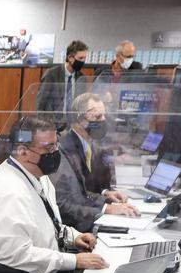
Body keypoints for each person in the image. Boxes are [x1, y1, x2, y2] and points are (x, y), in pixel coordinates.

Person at [0, 116, 107, 273]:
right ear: (23, 151)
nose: (56, 152)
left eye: (56, 144)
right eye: (49, 147)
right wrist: (74, 260)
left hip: (37, 269)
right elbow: (13, 255)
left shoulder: (37, 175)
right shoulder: (7, 191)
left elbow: (46, 223)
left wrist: (74, 236)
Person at [52, 93, 141, 231]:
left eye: (104, 116)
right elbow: (67, 202)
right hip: (76, 228)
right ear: (79, 119)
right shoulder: (65, 150)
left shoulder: (91, 145)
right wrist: (106, 208)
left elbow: (85, 190)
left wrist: (105, 195)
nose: (103, 121)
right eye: (97, 117)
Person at [36, 39, 89, 115]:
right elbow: (41, 102)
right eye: (80, 58)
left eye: (84, 58)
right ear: (70, 58)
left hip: (72, 122)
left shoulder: (82, 78)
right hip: (52, 122)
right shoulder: (52, 74)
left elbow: (81, 103)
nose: (83, 61)